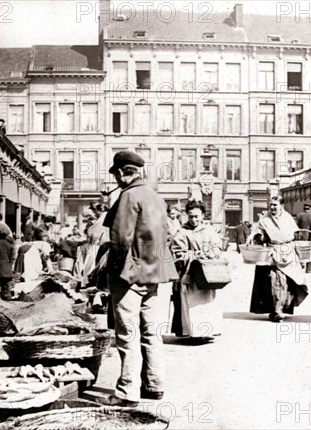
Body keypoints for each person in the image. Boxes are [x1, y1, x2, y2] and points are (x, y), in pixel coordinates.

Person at [99, 150, 178, 407]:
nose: (116, 180)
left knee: (127, 335)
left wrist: (111, 273)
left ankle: (127, 392)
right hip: (154, 275)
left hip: (129, 277)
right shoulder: (156, 197)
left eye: (116, 174)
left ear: (123, 172)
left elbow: (120, 240)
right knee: (151, 333)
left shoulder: (129, 196)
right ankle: (155, 386)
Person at [249, 194, 309, 322]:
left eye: (275, 205)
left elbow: (295, 234)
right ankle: (277, 310)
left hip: (288, 252)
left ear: (281, 206)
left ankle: (280, 308)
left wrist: (299, 253)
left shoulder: (288, 218)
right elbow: (259, 234)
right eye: (271, 205)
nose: (272, 207)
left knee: (288, 281)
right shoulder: (264, 220)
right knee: (276, 280)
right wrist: (259, 237)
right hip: (273, 252)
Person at [171, 199, 224, 338]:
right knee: (192, 303)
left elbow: (218, 247)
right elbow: (176, 252)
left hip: (207, 273)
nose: (194, 220)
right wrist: (192, 255)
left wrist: (210, 253)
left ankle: (207, 331)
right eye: (190, 216)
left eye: (197, 216)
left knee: (207, 302)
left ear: (202, 216)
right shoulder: (182, 232)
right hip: (190, 274)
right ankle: (193, 332)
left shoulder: (209, 230)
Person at [295, 204, 311, 273]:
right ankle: (308, 269)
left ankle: (301, 264)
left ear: (304, 208)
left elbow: (294, 226)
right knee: (310, 253)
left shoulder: (299, 215)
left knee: (300, 252)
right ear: (310, 209)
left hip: (300, 237)